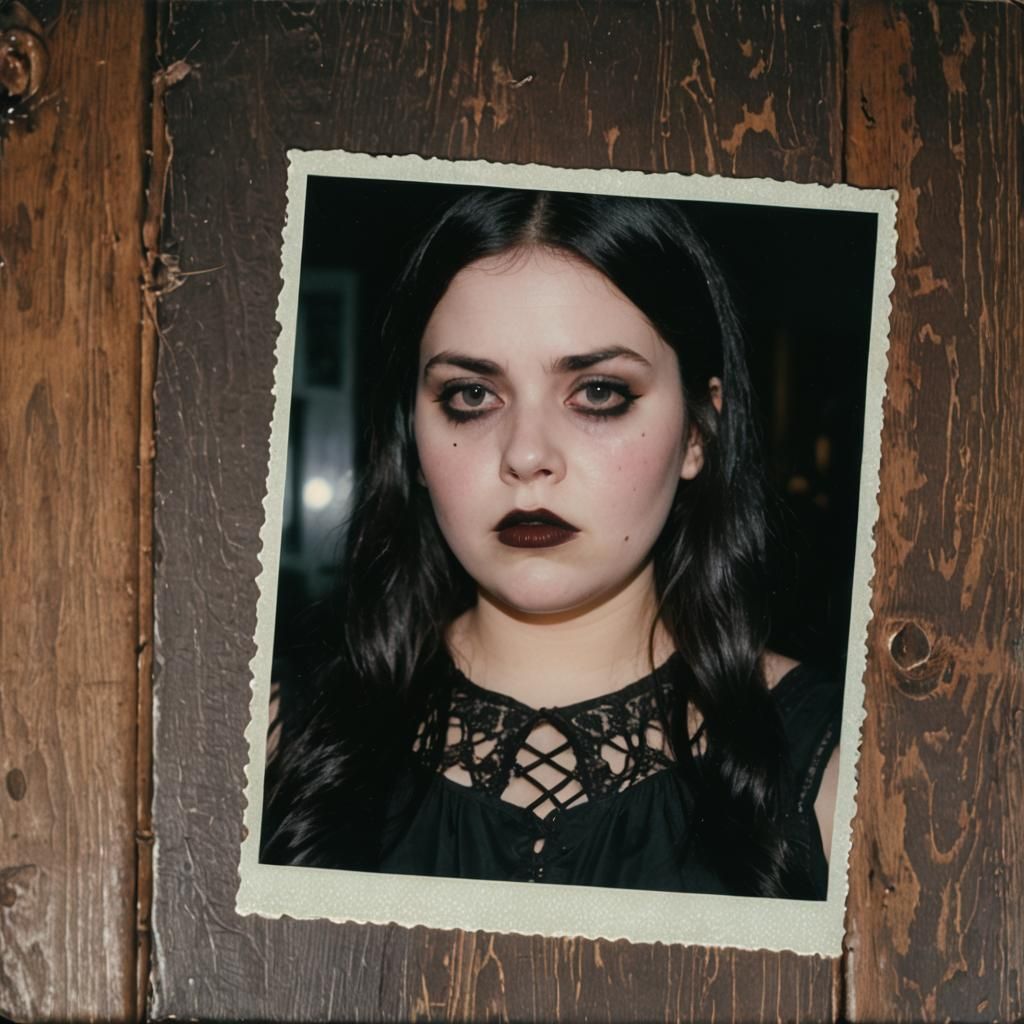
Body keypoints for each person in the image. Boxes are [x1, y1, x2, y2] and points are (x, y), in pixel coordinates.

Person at [261, 188, 842, 899]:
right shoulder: (277, 742)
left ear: (699, 432)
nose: (527, 456)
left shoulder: (844, 770)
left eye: (598, 392)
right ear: (412, 438)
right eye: (471, 395)